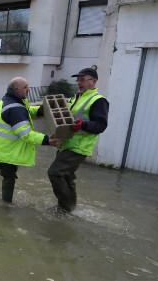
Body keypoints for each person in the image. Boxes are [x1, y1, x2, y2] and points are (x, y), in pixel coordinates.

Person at [0, 77, 60, 203]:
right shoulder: (15, 108)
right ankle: (6, 206)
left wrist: (40, 110)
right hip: (8, 150)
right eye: (25, 87)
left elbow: (26, 111)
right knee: (9, 177)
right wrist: (47, 140)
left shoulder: (8, 100)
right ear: (16, 89)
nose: (28, 89)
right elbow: (26, 135)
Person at [47, 67, 109, 212]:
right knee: (67, 177)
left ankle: (64, 208)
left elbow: (101, 125)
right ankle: (70, 208)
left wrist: (84, 125)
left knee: (55, 173)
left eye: (82, 79)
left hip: (79, 146)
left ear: (93, 81)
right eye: (78, 80)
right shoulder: (75, 97)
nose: (78, 83)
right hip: (66, 144)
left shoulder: (99, 101)